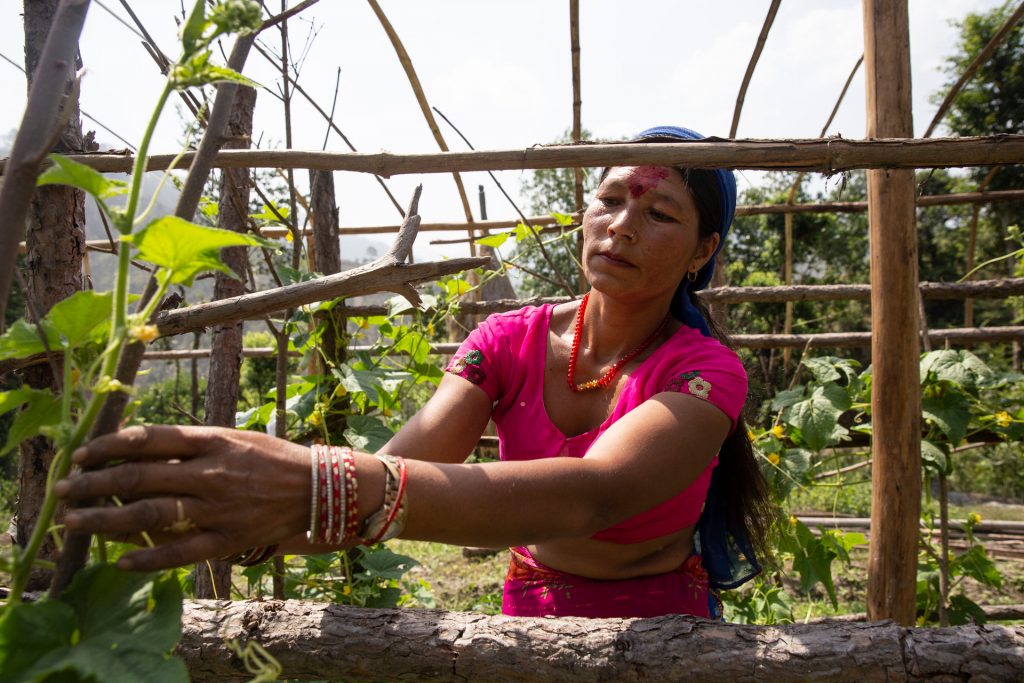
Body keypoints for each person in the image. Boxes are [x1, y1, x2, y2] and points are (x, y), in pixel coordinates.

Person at [56, 125, 774, 619]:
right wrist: (256, 520)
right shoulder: (506, 341)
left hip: (659, 625)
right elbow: (406, 461)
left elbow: (596, 494)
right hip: (531, 614)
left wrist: (314, 481)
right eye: (610, 200)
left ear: (702, 250)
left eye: (659, 214)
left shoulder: (704, 373)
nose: (620, 225)